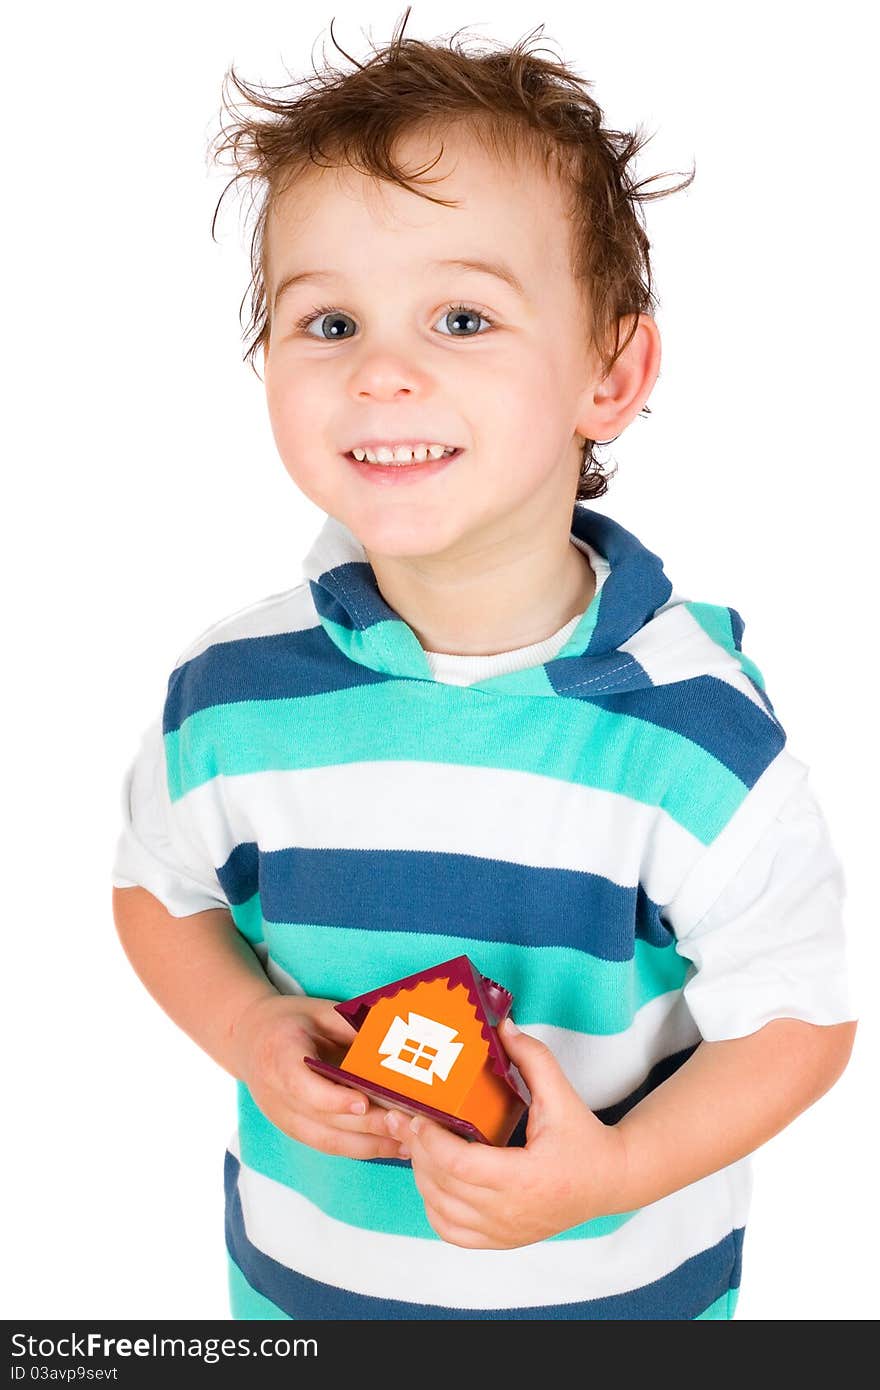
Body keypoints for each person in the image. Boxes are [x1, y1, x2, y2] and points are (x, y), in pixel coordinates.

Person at [111, 10, 857, 1320]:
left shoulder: (694, 736)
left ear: (611, 372)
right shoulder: (231, 694)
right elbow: (156, 892)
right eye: (327, 324)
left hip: (618, 1307)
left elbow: (799, 1022)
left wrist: (614, 1167)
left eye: (461, 316)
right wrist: (243, 1028)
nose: (385, 373)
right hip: (296, 1294)